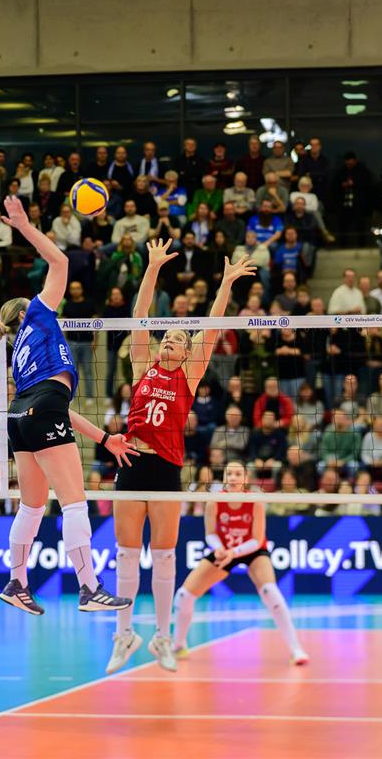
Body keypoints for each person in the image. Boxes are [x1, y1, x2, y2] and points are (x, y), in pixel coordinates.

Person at [107, 239, 255, 674]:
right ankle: (123, 633)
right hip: (132, 463)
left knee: (165, 555)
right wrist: (152, 267)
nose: (169, 341)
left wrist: (226, 284)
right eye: (166, 338)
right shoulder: (143, 367)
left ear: (187, 352)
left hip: (167, 468)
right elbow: (139, 314)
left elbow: (212, 327)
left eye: (177, 340)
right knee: (126, 553)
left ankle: (162, 637)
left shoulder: (189, 376)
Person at [0, 194, 136, 615]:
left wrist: (104, 438)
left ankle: (17, 582)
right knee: (74, 502)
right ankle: (90, 588)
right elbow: (59, 262)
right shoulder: (38, 315)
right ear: (26, 310)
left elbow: (56, 408)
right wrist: (23, 226)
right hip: (41, 409)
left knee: (32, 506)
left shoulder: (19, 351)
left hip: (20, 414)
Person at [173, 462, 309, 664]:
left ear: (245, 479)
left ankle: (296, 649)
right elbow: (210, 534)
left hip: (252, 550)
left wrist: (233, 553)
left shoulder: (255, 501)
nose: (233, 478)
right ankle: (178, 645)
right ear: (224, 478)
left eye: (238, 474)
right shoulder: (214, 501)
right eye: (229, 474)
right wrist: (219, 548)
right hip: (224, 550)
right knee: (184, 595)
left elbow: (257, 539)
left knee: (270, 591)